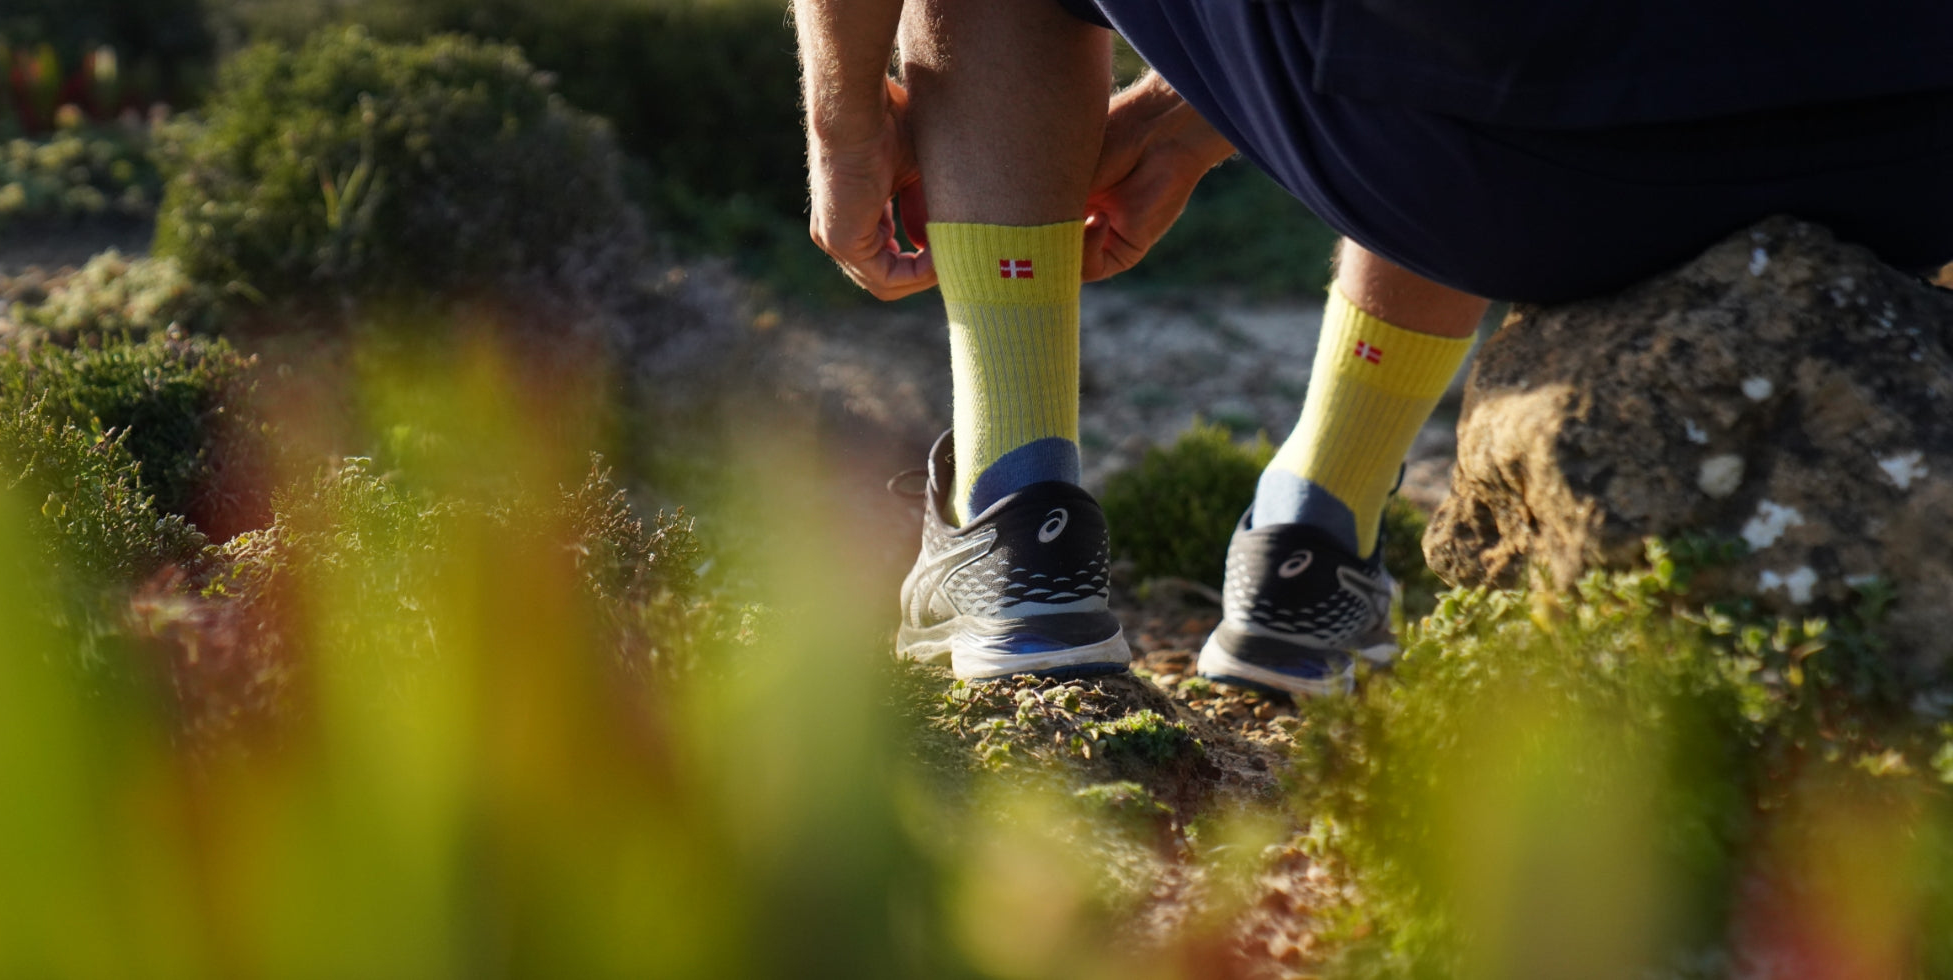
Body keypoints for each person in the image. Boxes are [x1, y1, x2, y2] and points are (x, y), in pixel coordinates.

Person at [795, 0, 1953, 697]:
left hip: (1493, 174)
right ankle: (1313, 535)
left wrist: (843, 117)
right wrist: (1205, 98)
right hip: (1903, 163)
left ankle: (1020, 524)